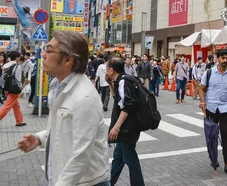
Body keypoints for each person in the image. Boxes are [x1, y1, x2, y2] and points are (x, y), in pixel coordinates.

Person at [17, 31, 110, 186]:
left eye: (49, 50)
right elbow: (64, 129)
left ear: (68, 59)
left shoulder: (84, 97)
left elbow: (82, 154)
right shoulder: (59, 88)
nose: (44, 55)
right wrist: (39, 138)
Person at [106, 56, 145, 185]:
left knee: (130, 158)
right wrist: (110, 85)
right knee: (118, 157)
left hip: (127, 129)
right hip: (128, 128)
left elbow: (128, 104)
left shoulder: (124, 81)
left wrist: (116, 127)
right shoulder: (121, 80)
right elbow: (118, 101)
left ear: (111, 70)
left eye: (107, 68)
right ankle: (109, 182)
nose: (106, 70)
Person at [199, 49, 227, 173]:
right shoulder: (209, 73)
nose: (225, 60)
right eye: (223, 58)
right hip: (211, 108)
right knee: (212, 136)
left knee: (226, 135)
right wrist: (202, 101)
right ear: (218, 59)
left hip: (226, 108)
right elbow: (201, 89)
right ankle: (213, 158)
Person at [0, 51, 25, 126]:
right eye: (19, 57)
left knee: (16, 105)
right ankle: (19, 121)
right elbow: (18, 79)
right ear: (17, 58)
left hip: (7, 88)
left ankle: (19, 121)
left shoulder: (6, 65)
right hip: (14, 88)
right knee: (7, 106)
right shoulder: (17, 66)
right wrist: (20, 88)